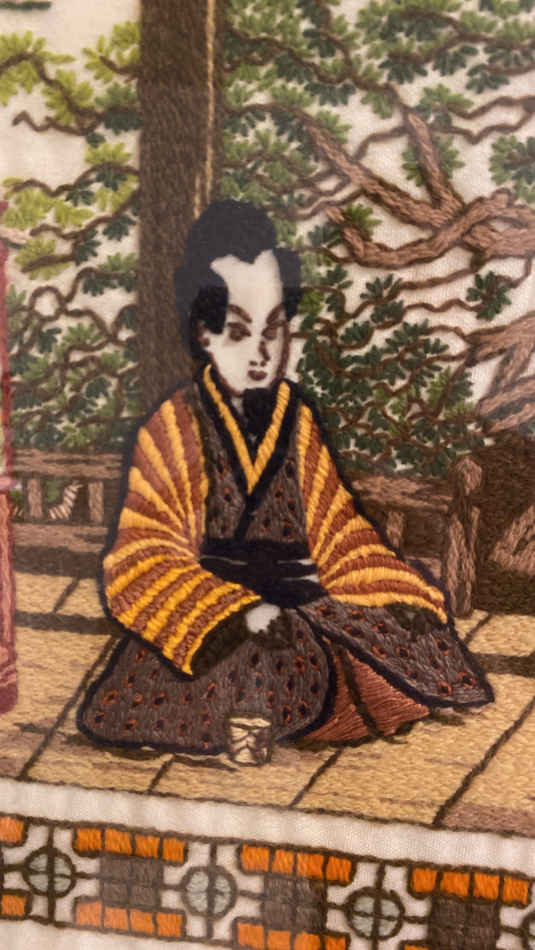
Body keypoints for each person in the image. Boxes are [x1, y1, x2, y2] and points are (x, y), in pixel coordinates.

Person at [77, 200, 493, 759]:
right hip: (222, 614)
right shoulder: (174, 425)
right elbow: (143, 556)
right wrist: (238, 612)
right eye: (239, 332)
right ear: (203, 332)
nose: (261, 353)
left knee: (399, 633)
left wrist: (392, 589)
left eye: (273, 331)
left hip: (304, 598)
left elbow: (338, 528)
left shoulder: (294, 417)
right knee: (269, 655)